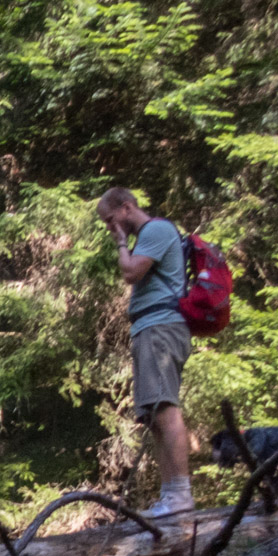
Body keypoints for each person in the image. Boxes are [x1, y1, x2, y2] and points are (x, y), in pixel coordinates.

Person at [97, 186, 193, 517]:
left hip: (161, 328)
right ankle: (171, 496)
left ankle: (181, 495)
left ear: (126, 208)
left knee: (165, 409)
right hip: (147, 330)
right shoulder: (149, 236)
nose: (112, 228)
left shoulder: (157, 229)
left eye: (111, 220)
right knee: (153, 416)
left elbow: (130, 271)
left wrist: (121, 243)